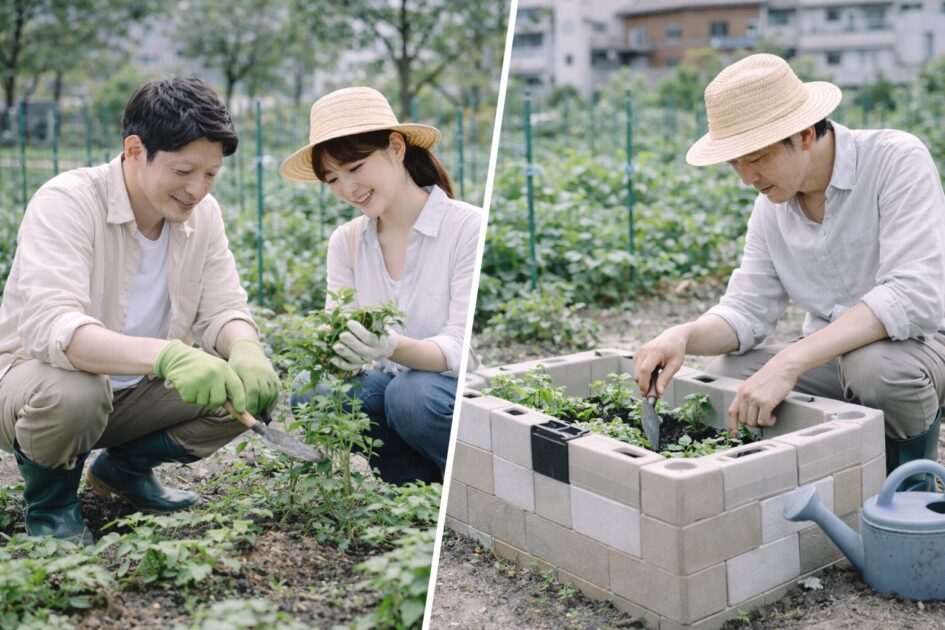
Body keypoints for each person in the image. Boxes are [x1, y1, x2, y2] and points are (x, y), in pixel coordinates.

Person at [633, 54, 945, 488]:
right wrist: (682, 335)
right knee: (727, 375)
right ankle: (825, 475)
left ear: (802, 134)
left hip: (920, 346)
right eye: (735, 164)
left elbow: (913, 296)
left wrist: (790, 360)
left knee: (874, 368)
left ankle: (912, 486)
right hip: (829, 353)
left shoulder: (896, 161)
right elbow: (746, 310)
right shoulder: (770, 209)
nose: (746, 178)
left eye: (755, 158)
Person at [0, 77, 281, 543]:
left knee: (247, 390)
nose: (197, 189)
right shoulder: (68, 201)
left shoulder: (202, 217)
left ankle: (124, 470)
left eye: (210, 174)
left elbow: (223, 306)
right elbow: (56, 328)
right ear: (134, 150)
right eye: (184, 171)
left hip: (130, 395)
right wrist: (167, 355)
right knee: (77, 389)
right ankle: (51, 507)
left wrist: (246, 348)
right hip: (30, 386)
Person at [281, 87, 481, 485]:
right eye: (333, 179)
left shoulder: (467, 227)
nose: (347, 189)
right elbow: (339, 325)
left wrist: (390, 346)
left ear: (395, 148)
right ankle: (412, 485)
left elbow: (458, 349)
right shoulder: (347, 241)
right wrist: (336, 347)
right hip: (392, 391)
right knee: (312, 389)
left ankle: (465, 483)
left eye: (355, 167)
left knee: (412, 394)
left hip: (452, 397)